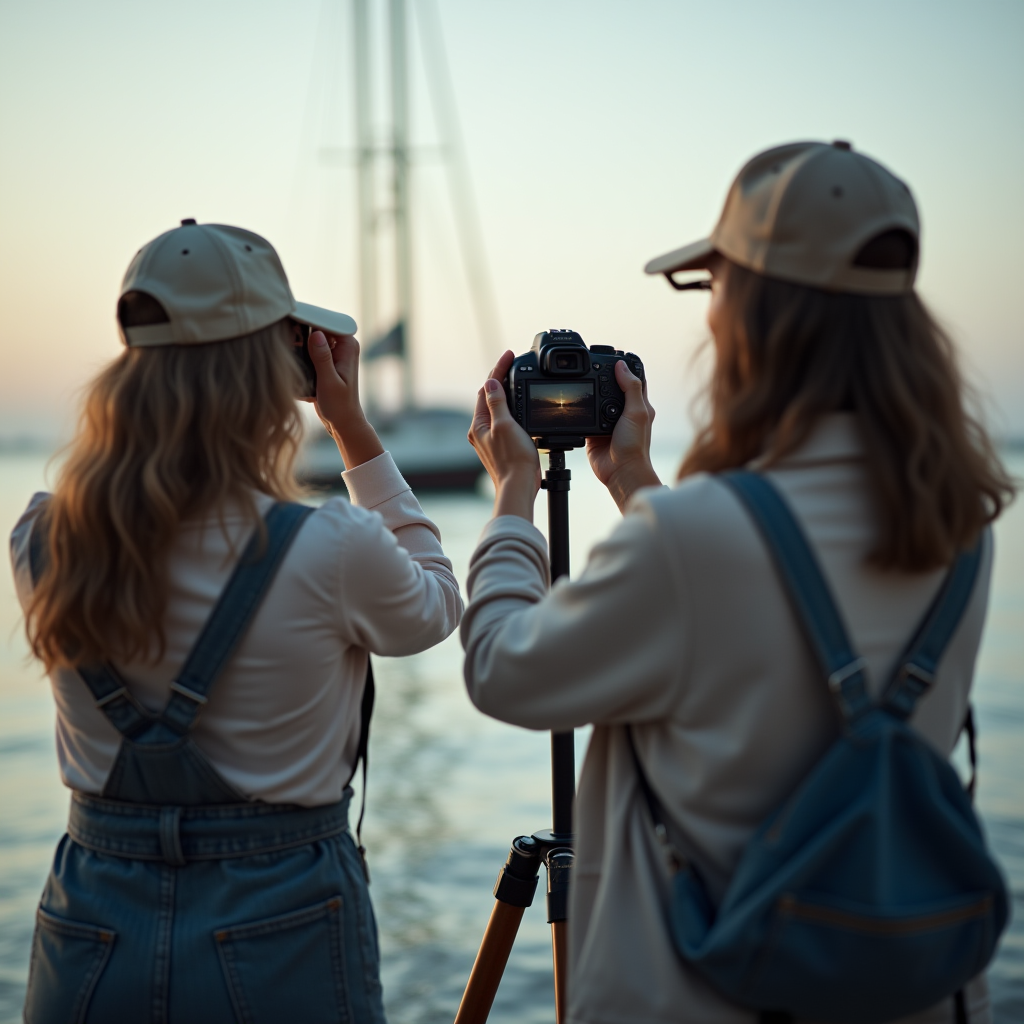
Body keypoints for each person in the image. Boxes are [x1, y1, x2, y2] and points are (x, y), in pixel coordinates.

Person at [461, 141, 1015, 1024]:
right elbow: (750, 594)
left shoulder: (692, 541)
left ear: (755, 314)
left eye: (716, 289)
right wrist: (636, 486)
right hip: (909, 996)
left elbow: (502, 669)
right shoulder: (961, 527)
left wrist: (513, 500)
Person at [11, 220, 462, 1023]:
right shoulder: (329, 544)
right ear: (275, 366)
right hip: (276, 926)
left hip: (90, 926)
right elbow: (434, 608)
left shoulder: (42, 537)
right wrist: (351, 426)